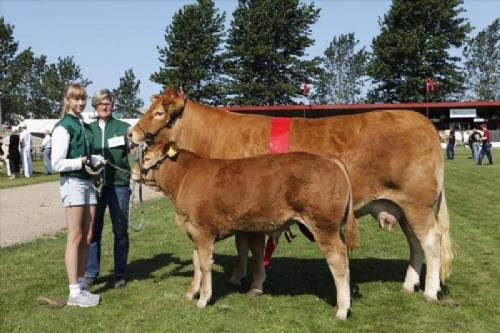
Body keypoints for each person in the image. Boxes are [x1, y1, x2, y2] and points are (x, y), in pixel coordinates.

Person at [51, 83, 105, 307]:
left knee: (88, 235)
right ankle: (73, 292)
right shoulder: (63, 127)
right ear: (67, 101)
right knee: (75, 236)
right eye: (75, 99)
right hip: (73, 183)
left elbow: (86, 155)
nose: (80, 103)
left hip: (88, 182)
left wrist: (94, 160)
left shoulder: (83, 124)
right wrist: (81, 161)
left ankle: (81, 286)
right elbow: (56, 163)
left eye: (82, 99)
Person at [84, 89, 131, 290]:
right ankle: (91, 273)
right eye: (101, 103)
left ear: (113, 106)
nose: (104, 106)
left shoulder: (123, 127)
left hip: (119, 185)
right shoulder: (87, 129)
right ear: (94, 106)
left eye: (108, 103)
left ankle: (119, 273)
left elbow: (138, 149)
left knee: (120, 231)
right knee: (93, 231)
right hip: (95, 186)